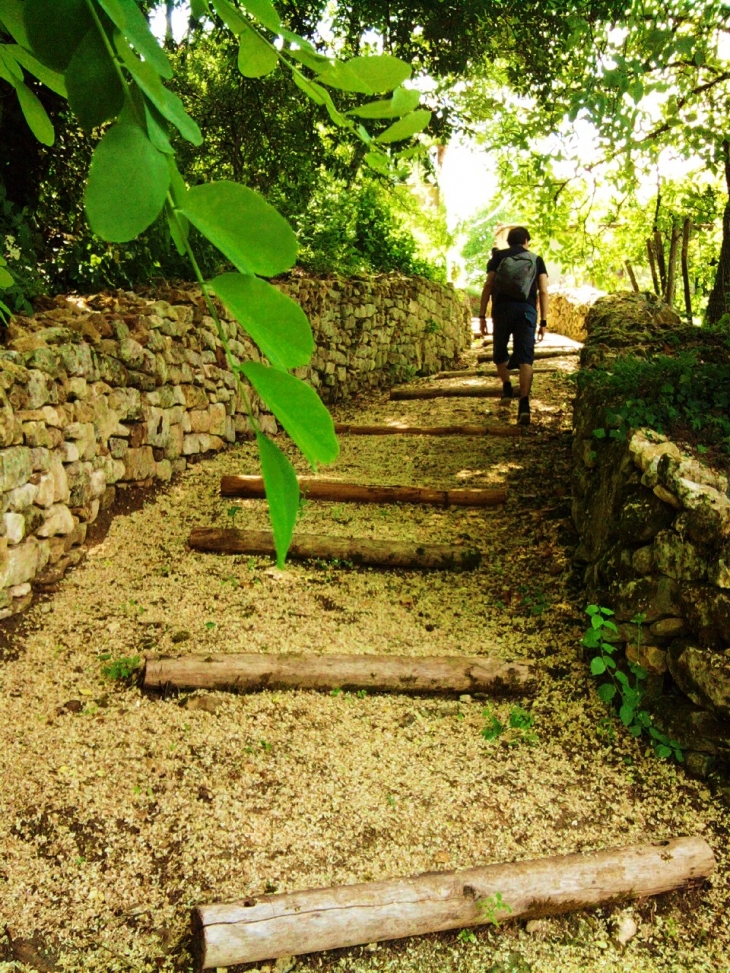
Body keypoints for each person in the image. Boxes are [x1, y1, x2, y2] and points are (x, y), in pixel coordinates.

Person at [478, 226, 549, 426]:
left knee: (500, 352)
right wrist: (543, 321)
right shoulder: (535, 259)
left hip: (501, 311)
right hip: (527, 311)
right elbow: (543, 291)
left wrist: (482, 315)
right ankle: (524, 405)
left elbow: (488, 285)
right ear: (526, 240)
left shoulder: (498, 257)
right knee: (526, 357)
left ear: (509, 241)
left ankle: (507, 387)